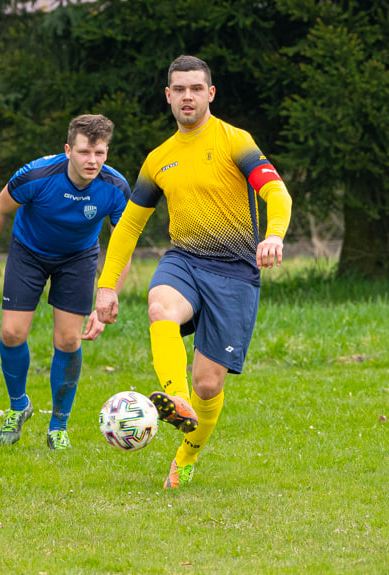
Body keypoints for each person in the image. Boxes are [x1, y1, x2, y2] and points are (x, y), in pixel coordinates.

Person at [94, 55, 292, 489]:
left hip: (236, 272)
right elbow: (129, 225)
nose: (187, 96)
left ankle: (186, 454)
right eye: (179, 89)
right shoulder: (159, 159)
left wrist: (274, 235)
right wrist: (106, 287)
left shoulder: (234, 141)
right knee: (159, 304)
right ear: (168, 96)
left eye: (196, 89)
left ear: (210, 94)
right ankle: (174, 398)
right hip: (184, 259)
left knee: (208, 384)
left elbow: (277, 193)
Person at [0, 114, 132, 451]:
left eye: (100, 153)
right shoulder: (36, 175)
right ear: (68, 150)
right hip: (29, 253)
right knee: (12, 333)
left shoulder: (115, 187)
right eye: (85, 152)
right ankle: (19, 407)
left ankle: (58, 425)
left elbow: (124, 244)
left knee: (69, 340)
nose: (92, 161)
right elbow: (0, 209)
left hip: (78, 259)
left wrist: (108, 296)